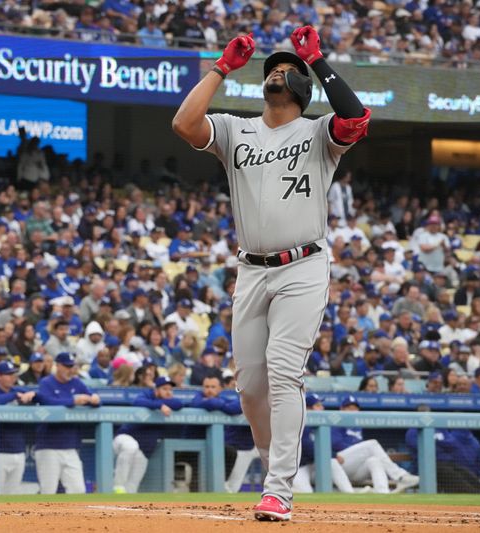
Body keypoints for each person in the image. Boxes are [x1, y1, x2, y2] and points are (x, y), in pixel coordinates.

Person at [172, 25, 371, 522]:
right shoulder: (237, 129)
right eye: (272, 70)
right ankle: (273, 470)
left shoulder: (317, 132)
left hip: (303, 265)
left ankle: (279, 487)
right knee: (251, 386)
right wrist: (220, 67)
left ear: (303, 88)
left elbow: (356, 117)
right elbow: (184, 124)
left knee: (285, 371)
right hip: (252, 270)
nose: (276, 74)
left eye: (287, 70)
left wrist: (318, 60)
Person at [34, 352, 100, 494]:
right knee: (48, 491)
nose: (70, 369)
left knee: (78, 490)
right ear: (57, 366)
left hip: (71, 446)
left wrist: (95, 399)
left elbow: (94, 400)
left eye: (72, 366)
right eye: (67, 366)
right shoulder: (46, 382)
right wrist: (72, 401)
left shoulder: (76, 382)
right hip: (48, 446)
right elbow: (46, 401)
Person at [332, 396, 419, 494]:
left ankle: (383, 493)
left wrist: (359, 450)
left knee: (374, 461)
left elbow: (358, 449)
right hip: (339, 465)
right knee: (372, 444)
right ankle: (400, 476)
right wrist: (359, 450)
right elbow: (336, 444)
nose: (353, 411)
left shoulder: (356, 426)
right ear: (341, 409)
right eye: (349, 408)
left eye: (355, 408)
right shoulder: (336, 422)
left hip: (355, 468)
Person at [113, 376, 184, 493]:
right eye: (165, 389)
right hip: (124, 438)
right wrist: (159, 406)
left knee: (132, 486)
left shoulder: (170, 402)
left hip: (143, 451)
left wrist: (161, 404)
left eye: (170, 390)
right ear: (156, 390)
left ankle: (124, 506)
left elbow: (179, 404)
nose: (168, 392)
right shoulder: (147, 395)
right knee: (131, 447)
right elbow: (137, 402)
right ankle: (117, 486)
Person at [0, 360, 37, 495]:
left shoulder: (18, 391)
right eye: (8, 374)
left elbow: (40, 395)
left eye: (13, 374)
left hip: (18, 450)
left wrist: (33, 394)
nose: (12, 377)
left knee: (12, 495)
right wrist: (12, 396)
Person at [293, 393, 356, 493]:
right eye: (318, 406)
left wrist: (332, 456)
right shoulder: (300, 422)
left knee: (331, 461)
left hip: (313, 464)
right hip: (298, 467)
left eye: (321, 405)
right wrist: (333, 454)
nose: (322, 408)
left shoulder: (322, 422)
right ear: (308, 409)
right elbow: (308, 447)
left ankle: (350, 493)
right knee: (306, 493)